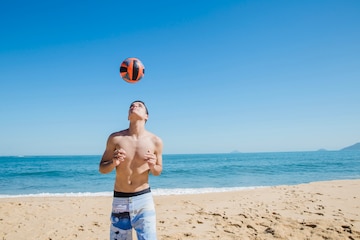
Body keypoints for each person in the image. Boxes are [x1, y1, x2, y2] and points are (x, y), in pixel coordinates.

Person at [99, 100, 163, 240]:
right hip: (120, 201)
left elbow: (158, 171)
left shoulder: (155, 141)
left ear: (146, 116)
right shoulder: (115, 138)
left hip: (143, 199)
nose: (134, 106)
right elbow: (102, 168)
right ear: (128, 116)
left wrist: (153, 165)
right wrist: (113, 162)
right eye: (131, 106)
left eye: (139, 106)